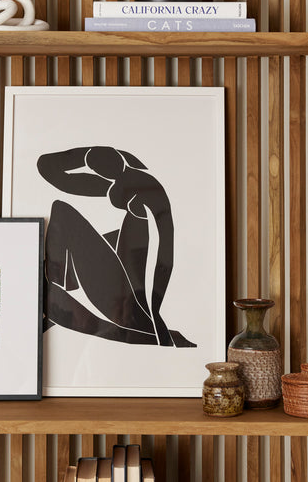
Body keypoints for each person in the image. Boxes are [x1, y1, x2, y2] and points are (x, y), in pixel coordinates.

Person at [37, 145, 195, 347]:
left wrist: (155, 316)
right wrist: (87, 155)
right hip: (123, 294)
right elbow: (50, 170)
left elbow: (163, 257)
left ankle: (56, 301)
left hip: (128, 303)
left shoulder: (145, 191)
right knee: (107, 235)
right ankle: (58, 299)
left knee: (62, 212)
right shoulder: (123, 182)